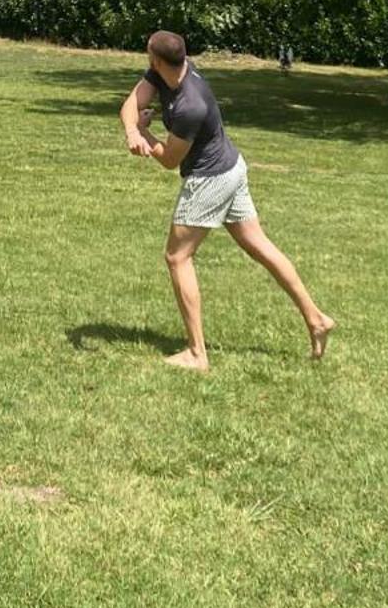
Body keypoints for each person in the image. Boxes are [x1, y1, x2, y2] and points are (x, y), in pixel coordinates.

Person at [119, 29, 334, 371]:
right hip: (231, 167)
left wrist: (145, 133)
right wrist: (131, 130)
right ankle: (317, 318)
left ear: (156, 59)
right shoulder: (166, 71)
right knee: (260, 247)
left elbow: (170, 159)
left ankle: (197, 353)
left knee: (177, 257)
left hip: (212, 178)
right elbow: (132, 102)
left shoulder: (191, 104)